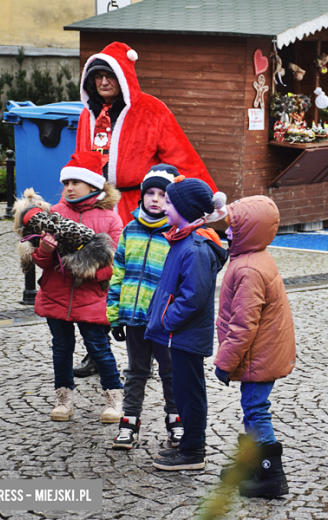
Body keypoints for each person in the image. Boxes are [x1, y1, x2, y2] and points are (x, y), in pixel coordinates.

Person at [76, 41, 217, 225]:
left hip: (140, 208)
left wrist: (207, 200)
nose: (103, 82)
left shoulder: (152, 109)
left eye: (109, 76)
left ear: (123, 77)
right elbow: (79, 161)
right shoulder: (87, 114)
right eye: (98, 76)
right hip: (94, 205)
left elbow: (181, 158)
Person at [30, 152, 124, 423]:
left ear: (94, 186)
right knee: (61, 348)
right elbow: (39, 260)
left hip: (92, 297)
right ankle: (64, 397)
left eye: (76, 182)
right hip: (56, 294)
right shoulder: (54, 214)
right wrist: (45, 250)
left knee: (98, 347)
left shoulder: (110, 219)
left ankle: (114, 398)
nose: (69, 187)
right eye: (66, 182)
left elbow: (116, 262)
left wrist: (90, 270)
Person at [213, 196, 296, 499]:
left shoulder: (248, 268)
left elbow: (243, 324)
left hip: (257, 356)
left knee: (257, 411)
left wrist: (224, 363)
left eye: (234, 227)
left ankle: (271, 475)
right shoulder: (254, 257)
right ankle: (253, 464)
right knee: (251, 409)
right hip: (262, 353)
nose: (228, 232)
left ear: (250, 231)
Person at [146, 176, 228, 471]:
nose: (164, 207)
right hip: (178, 335)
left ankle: (193, 451)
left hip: (185, 335)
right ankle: (189, 446)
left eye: (169, 202)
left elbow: (192, 297)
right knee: (182, 391)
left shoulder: (195, 247)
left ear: (186, 207)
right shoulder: (182, 240)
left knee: (190, 394)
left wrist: (167, 320)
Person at [107, 165, 182, 450]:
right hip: (134, 318)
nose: (155, 199)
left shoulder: (175, 233)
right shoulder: (130, 229)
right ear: (141, 197)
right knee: (137, 371)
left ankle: (176, 421)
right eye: (149, 193)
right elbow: (119, 272)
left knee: (170, 371)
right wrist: (114, 316)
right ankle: (129, 423)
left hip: (163, 320)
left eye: (162, 194)